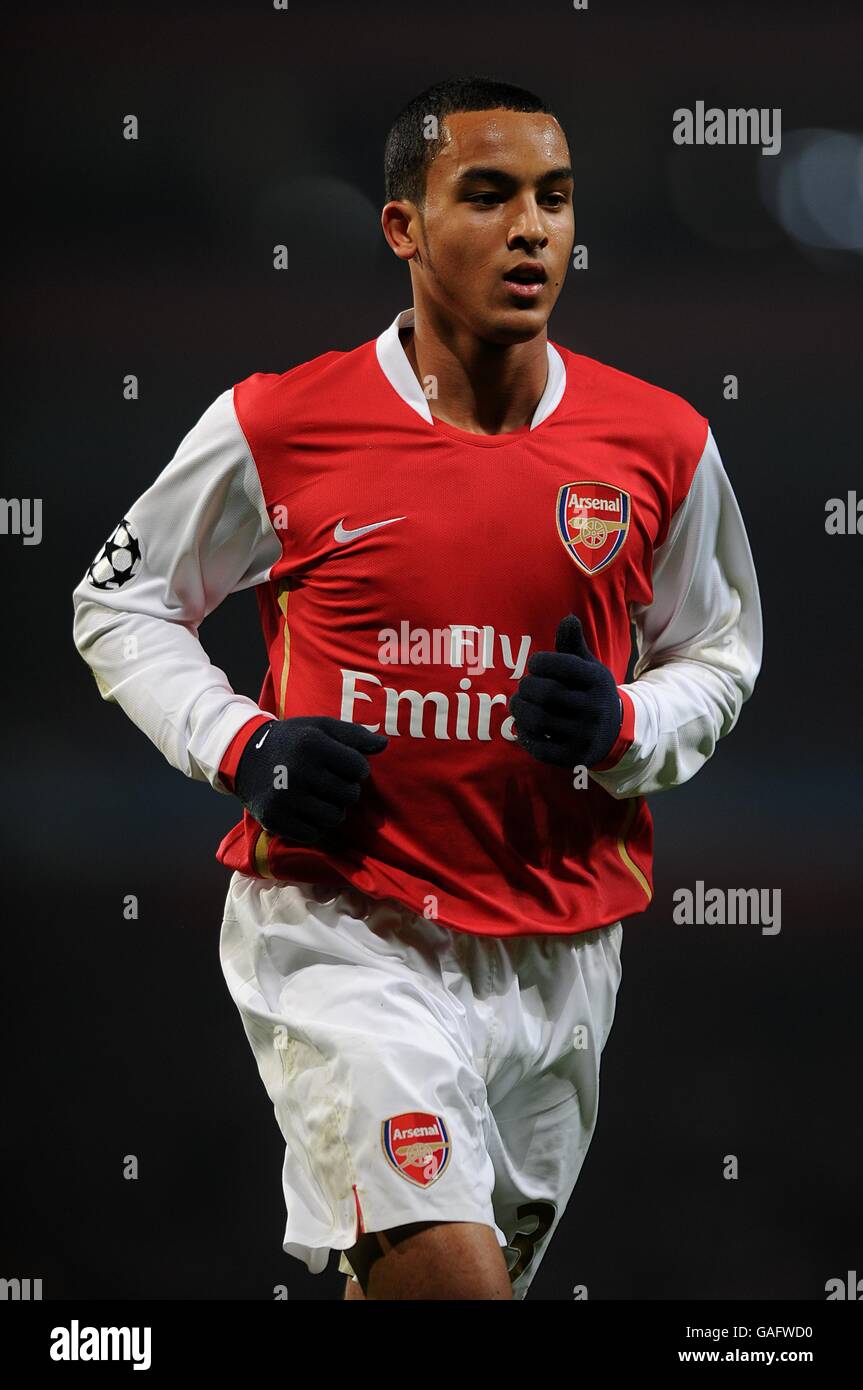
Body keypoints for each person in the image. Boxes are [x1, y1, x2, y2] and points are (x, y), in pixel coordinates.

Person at [72, 75, 763, 1300]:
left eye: (552, 198)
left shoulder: (662, 443)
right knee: (449, 1285)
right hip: (348, 927)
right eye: (487, 196)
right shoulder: (280, 422)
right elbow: (118, 601)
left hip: (562, 943)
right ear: (402, 227)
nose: (532, 229)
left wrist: (623, 724)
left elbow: (718, 656)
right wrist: (244, 747)